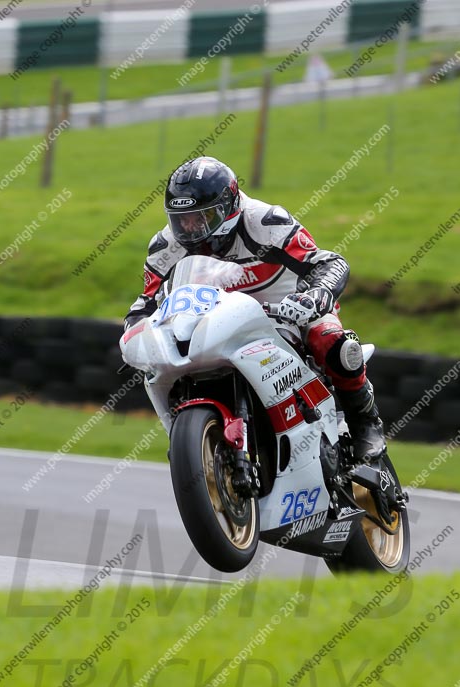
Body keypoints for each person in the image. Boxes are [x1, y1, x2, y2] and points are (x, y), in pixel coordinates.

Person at [124, 156, 385, 462]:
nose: (193, 229)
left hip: (288, 313)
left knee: (330, 339)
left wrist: (315, 295)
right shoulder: (165, 247)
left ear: (230, 206)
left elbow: (328, 263)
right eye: (183, 220)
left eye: (204, 217)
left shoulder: (265, 223)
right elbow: (145, 304)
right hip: (217, 326)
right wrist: (136, 335)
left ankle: (365, 422)